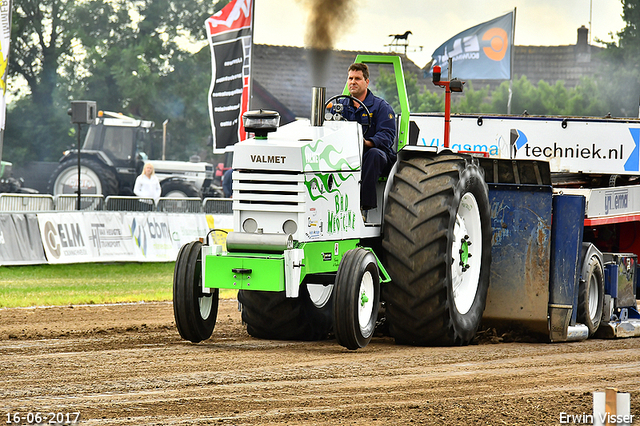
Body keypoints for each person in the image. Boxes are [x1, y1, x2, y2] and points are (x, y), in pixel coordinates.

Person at [336, 63, 397, 213]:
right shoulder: (339, 106)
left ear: (366, 82)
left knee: (374, 155)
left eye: (357, 78)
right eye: (350, 78)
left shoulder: (381, 107)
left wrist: (367, 143)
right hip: (346, 154)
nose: (352, 82)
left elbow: (388, 135)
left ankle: (362, 207)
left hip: (373, 155)